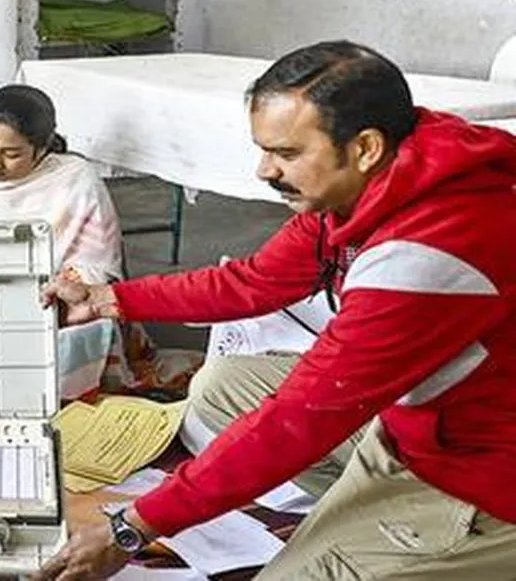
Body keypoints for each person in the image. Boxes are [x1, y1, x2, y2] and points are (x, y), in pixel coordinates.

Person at [35, 40, 516, 580]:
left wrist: (134, 526)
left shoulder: (430, 252)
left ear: (365, 148)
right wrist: (108, 299)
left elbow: (299, 419)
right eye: (264, 149)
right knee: (221, 386)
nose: (265, 170)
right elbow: (257, 280)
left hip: (481, 472)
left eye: (286, 154)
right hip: (420, 419)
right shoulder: (374, 183)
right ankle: (374, 533)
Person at [0, 84, 194, 399]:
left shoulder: (74, 179)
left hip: (52, 297)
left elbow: (96, 263)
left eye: (11, 154)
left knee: (82, 313)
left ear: (42, 148)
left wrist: (52, 292)